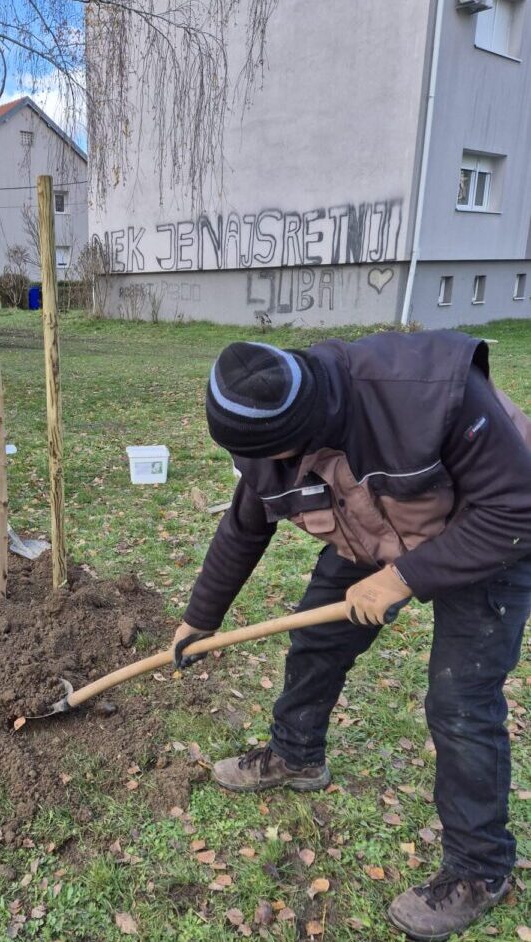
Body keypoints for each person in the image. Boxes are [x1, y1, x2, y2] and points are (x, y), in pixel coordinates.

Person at [170, 332, 531, 941]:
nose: (266, 469)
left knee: (460, 703)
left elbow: (517, 509)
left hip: (490, 526)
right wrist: (200, 616)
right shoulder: (267, 441)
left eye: (273, 453)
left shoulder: (425, 391)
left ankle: (480, 869)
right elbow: (244, 524)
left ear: (303, 425)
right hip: (371, 524)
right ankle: (297, 754)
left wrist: (405, 577)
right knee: (317, 643)